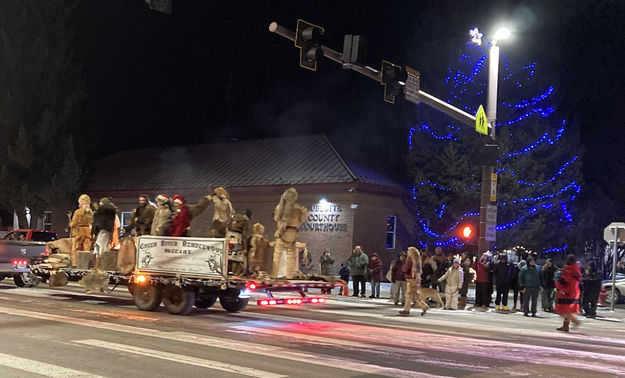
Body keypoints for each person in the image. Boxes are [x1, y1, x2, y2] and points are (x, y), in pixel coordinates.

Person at [399, 247, 429, 316]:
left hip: (411, 280)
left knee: (409, 295)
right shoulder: (418, 261)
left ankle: (408, 310)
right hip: (417, 279)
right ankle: (422, 306)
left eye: (408, 251)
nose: (407, 252)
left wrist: (403, 265)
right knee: (414, 295)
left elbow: (405, 269)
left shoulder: (409, 260)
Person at [556, 255, 582, 332]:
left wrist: (559, 284)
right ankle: (566, 326)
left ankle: (576, 321)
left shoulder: (567, 269)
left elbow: (565, 281)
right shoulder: (576, 269)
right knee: (567, 309)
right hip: (574, 291)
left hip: (567, 291)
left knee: (562, 310)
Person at [68, 194, 93, 267]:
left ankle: (74, 264)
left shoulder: (78, 212)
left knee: (75, 249)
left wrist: (70, 224)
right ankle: (85, 265)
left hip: (78, 232)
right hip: (87, 231)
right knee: (86, 250)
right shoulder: (90, 212)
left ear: (82, 203)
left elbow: (74, 224)